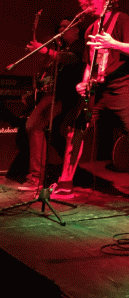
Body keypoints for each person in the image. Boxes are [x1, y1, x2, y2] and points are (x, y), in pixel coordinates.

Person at [50, 0, 129, 209]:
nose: (92, 3)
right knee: (76, 130)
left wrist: (114, 43)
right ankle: (65, 183)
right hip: (98, 89)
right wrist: (84, 82)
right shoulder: (90, 29)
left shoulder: (122, 19)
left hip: (123, 86)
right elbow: (89, 63)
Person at [18, 18, 85, 191]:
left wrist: (45, 50)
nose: (61, 29)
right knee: (42, 129)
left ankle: (37, 178)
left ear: (76, 29)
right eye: (60, 27)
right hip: (55, 95)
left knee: (35, 125)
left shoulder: (80, 45)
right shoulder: (63, 48)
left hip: (65, 97)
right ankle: (43, 176)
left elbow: (71, 59)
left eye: (65, 26)